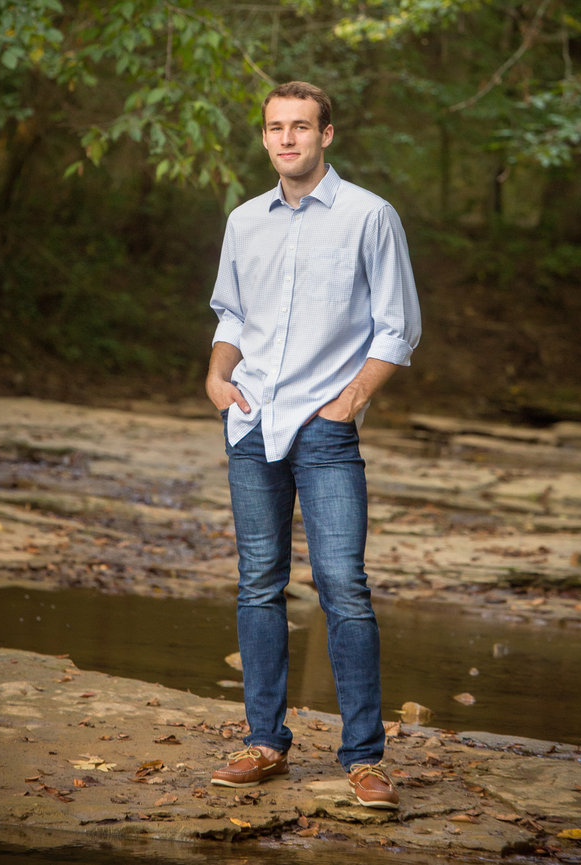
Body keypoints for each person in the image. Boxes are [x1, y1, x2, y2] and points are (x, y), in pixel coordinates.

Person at [205, 81, 421, 809]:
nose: (286, 139)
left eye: (300, 126)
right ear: (263, 137)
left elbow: (396, 327)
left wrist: (349, 403)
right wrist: (215, 375)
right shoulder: (243, 220)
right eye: (274, 128)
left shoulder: (369, 216)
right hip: (251, 421)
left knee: (344, 589)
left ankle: (363, 758)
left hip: (325, 432)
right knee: (258, 583)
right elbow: (231, 311)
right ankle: (263, 742)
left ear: (327, 134)